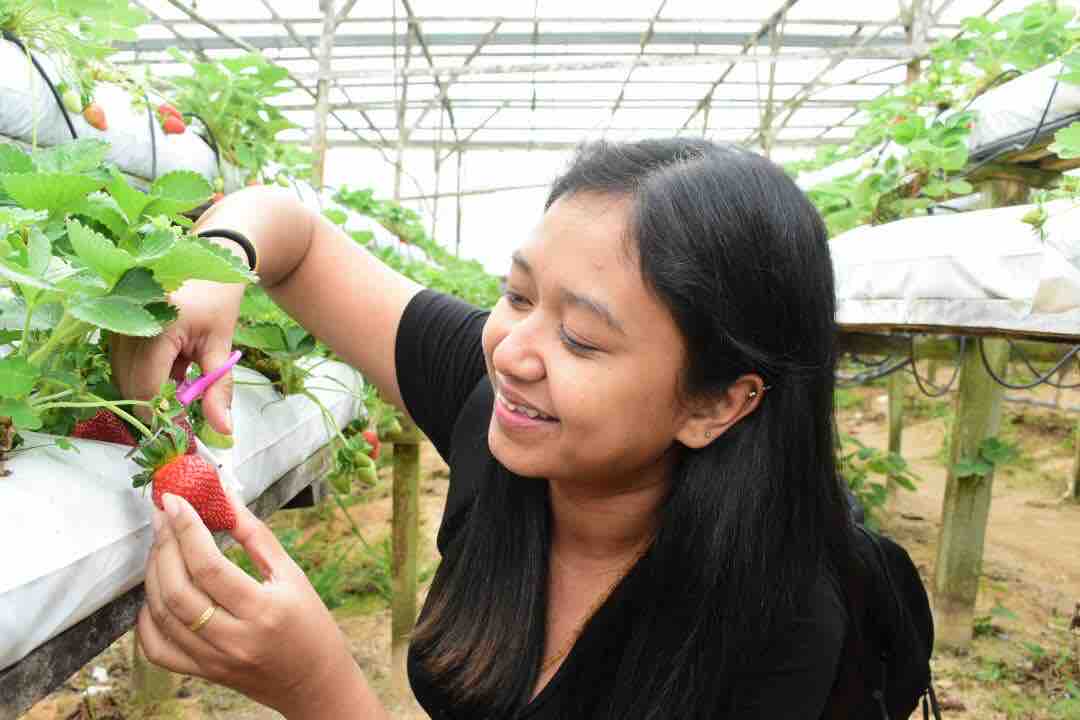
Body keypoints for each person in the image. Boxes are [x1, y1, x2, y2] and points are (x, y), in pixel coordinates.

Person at [112, 138, 860, 719]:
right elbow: (294, 235)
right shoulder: (499, 406)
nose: (513, 350)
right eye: (519, 294)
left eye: (583, 339)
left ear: (716, 404)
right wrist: (214, 262)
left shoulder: (781, 626)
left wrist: (316, 686)